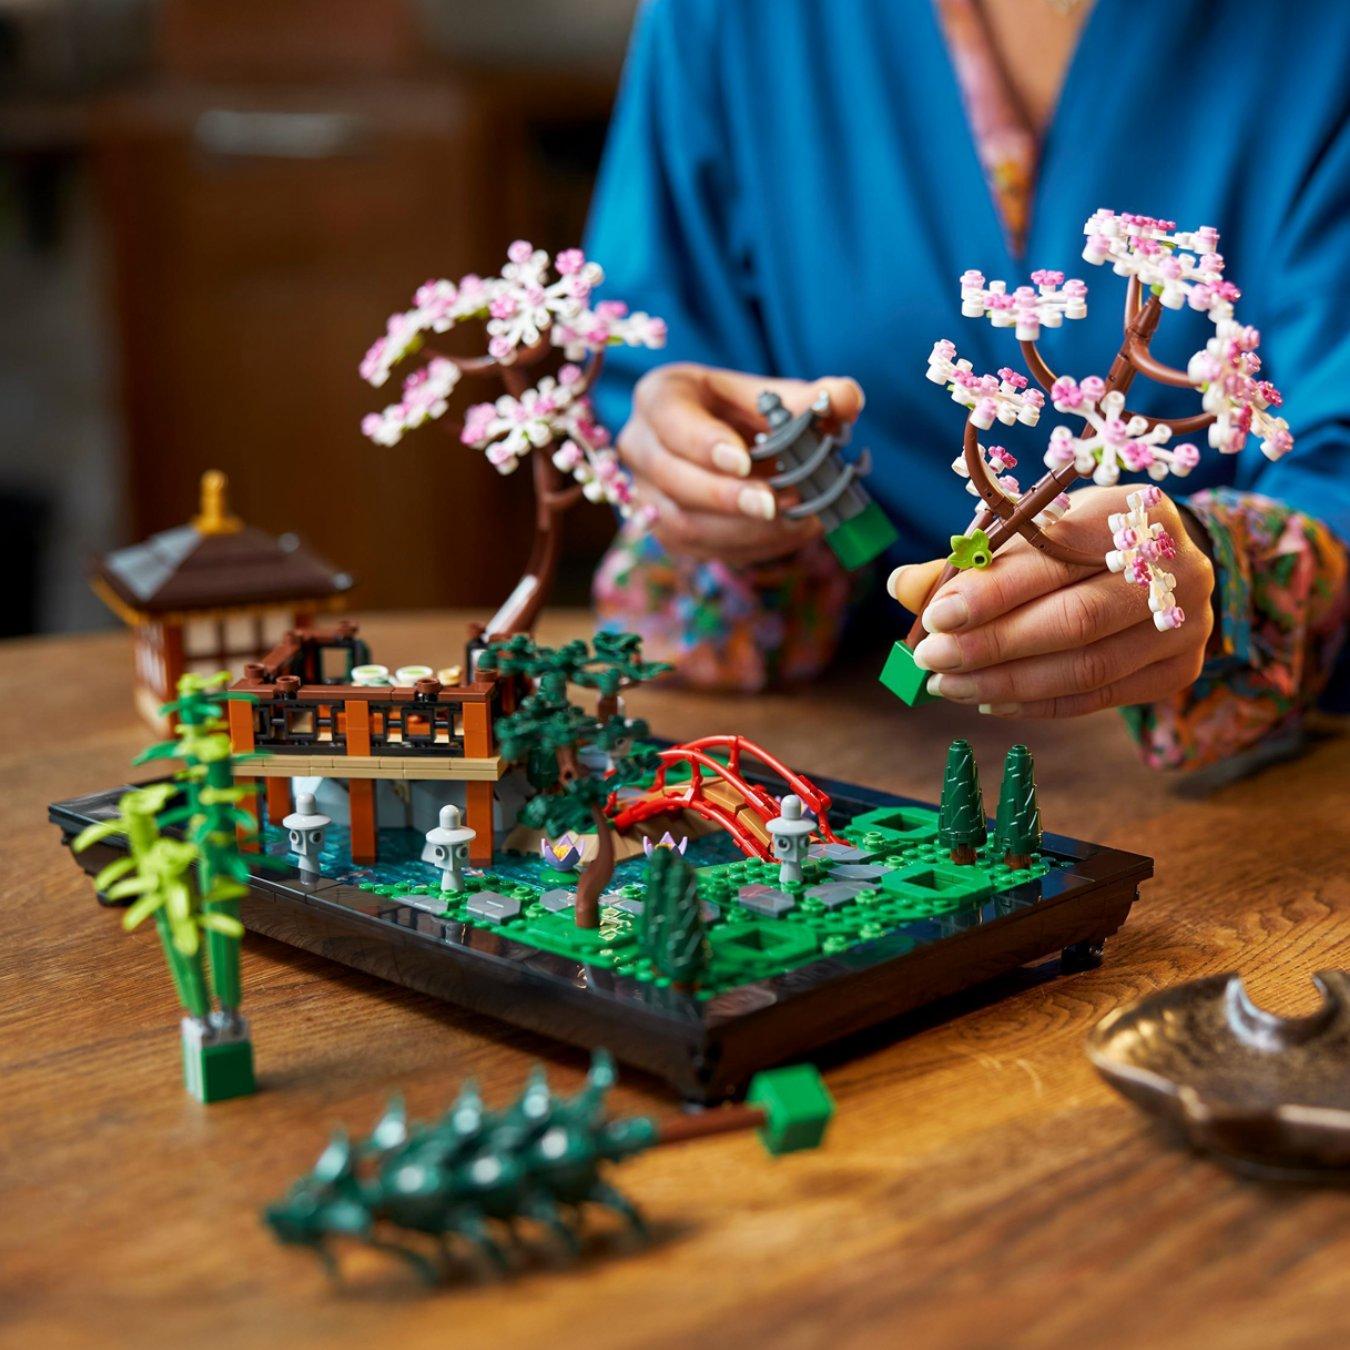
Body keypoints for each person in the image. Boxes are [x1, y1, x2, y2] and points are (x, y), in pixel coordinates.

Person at [583, 0, 1349, 771]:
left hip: (1246, 783)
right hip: (865, 729)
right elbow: (655, 359)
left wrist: (1222, 575)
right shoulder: (728, 21)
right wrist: (705, 474)